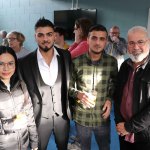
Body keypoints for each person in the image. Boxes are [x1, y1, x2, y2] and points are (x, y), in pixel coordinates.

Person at [19, 17, 72, 150]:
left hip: (63, 117)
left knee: (63, 147)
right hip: (39, 119)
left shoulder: (66, 56)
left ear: (54, 36)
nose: (45, 39)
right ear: (35, 37)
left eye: (49, 34)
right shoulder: (24, 62)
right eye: (40, 35)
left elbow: (70, 84)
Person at [69, 24, 118, 150]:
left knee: (104, 147)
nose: (98, 42)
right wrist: (78, 94)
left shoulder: (112, 62)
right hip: (81, 117)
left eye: (102, 39)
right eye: (94, 38)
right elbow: (67, 87)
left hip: (102, 117)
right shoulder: (76, 62)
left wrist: (109, 99)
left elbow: (114, 83)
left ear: (106, 41)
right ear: (87, 40)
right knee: (85, 147)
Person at [114, 26, 150, 150]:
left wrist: (129, 127)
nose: (135, 47)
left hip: (145, 136)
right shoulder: (125, 65)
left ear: (149, 42)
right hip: (123, 132)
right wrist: (120, 124)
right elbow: (118, 97)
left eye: (140, 42)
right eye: (131, 43)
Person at [0, 46, 38, 150]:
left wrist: (34, 144)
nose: (6, 68)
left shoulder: (21, 85)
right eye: (1, 64)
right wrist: (11, 124)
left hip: (24, 144)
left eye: (10, 63)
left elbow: (29, 117)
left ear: (15, 65)